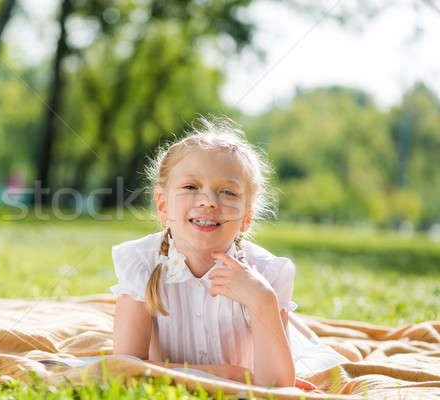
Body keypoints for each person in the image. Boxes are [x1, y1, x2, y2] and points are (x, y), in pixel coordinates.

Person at [110, 116, 348, 388]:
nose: (208, 202)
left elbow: (276, 385)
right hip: (225, 375)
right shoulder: (141, 263)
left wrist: (263, 300)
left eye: (227, 192)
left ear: (247, 217)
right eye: (191, 187)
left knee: (305, 349)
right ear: (163, 206)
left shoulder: (267, 274)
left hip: (265, 334)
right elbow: (124, 368)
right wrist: (230, 375)